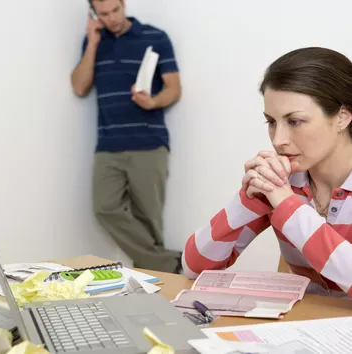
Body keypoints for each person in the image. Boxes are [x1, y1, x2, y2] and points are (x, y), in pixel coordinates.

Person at [182, 47, 352, 298]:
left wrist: (287, 206)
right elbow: (194, 267)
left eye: (294, 121)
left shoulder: (284, 196)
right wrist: (246, 199)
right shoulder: (283, 183)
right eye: (271, 122)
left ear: (342, 117)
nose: (279, 140)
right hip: (306, 328)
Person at [71, 0, 182, 273]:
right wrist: (94, 42)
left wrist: (152, 102)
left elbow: (174, 88)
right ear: (95, 14)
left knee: (149, 219)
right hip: (107, 144)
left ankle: (157, 283)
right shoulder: (93, 42)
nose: (111, 18)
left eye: (115, 10)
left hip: (148, 142)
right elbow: (79, 86)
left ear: (123, 5)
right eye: (104, 14)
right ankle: (169, 264)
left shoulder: (155, 37)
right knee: (104, 208)